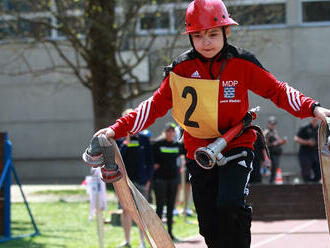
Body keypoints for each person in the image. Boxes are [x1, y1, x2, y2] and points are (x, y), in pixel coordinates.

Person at [92, 0, 330, 247]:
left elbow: (277, 90)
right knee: (208, 222)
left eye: (213, 34)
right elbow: (154, 106)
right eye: (198, 35)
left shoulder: (243, 62)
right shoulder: (181, 68)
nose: (206, 42)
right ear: (190, 37)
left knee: (231, 204)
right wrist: (116, 129)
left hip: (237, 143)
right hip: (199, 152)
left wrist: (312, 108)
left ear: (226, 32)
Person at [116, 110, 153, 248]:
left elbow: (150, 160)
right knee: (126, 210)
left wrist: (149, 179)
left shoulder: (144, 139)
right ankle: (127, 241)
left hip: (141, 180)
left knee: (141, 211)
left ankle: (142, 241)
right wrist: (125, 143)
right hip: (124, 181)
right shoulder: (119, 139)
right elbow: (117, 158)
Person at [152, 122, 185, 240]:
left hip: (173, 179)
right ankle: (157, 234)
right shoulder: (157, 144)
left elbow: (186, 152)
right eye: (168, 131)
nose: (170, 133)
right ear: (164, 132)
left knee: (171, 207)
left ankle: (170, 233)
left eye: (172, 131)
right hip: (160, 180)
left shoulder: (177, 145)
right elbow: (152, 160)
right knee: (160, 207)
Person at [294, 118, 321, 183]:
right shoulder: (305, 127)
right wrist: (307, 142)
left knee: (319, 172)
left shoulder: (320, 129)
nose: (315, 119)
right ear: (310, 119)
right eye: (313, 118)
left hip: (316, 152)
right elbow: (296, 138)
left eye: (316, 118)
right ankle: (307, 184)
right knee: (306, 171)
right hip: (305, 153)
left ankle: (314, 184)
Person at [264, 116, 287, 184]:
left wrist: (280, 142)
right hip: (270, 154)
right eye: (271, 124)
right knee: (271, 169)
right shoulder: (266, 132)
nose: (273, 125)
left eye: (274, 124)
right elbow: (264, 144)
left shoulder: (274, 132)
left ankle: (272, 182)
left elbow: (276, 142)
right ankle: (270, 183)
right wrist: (274, 144)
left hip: (276, 153)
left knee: (275, 169)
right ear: (268, 124)